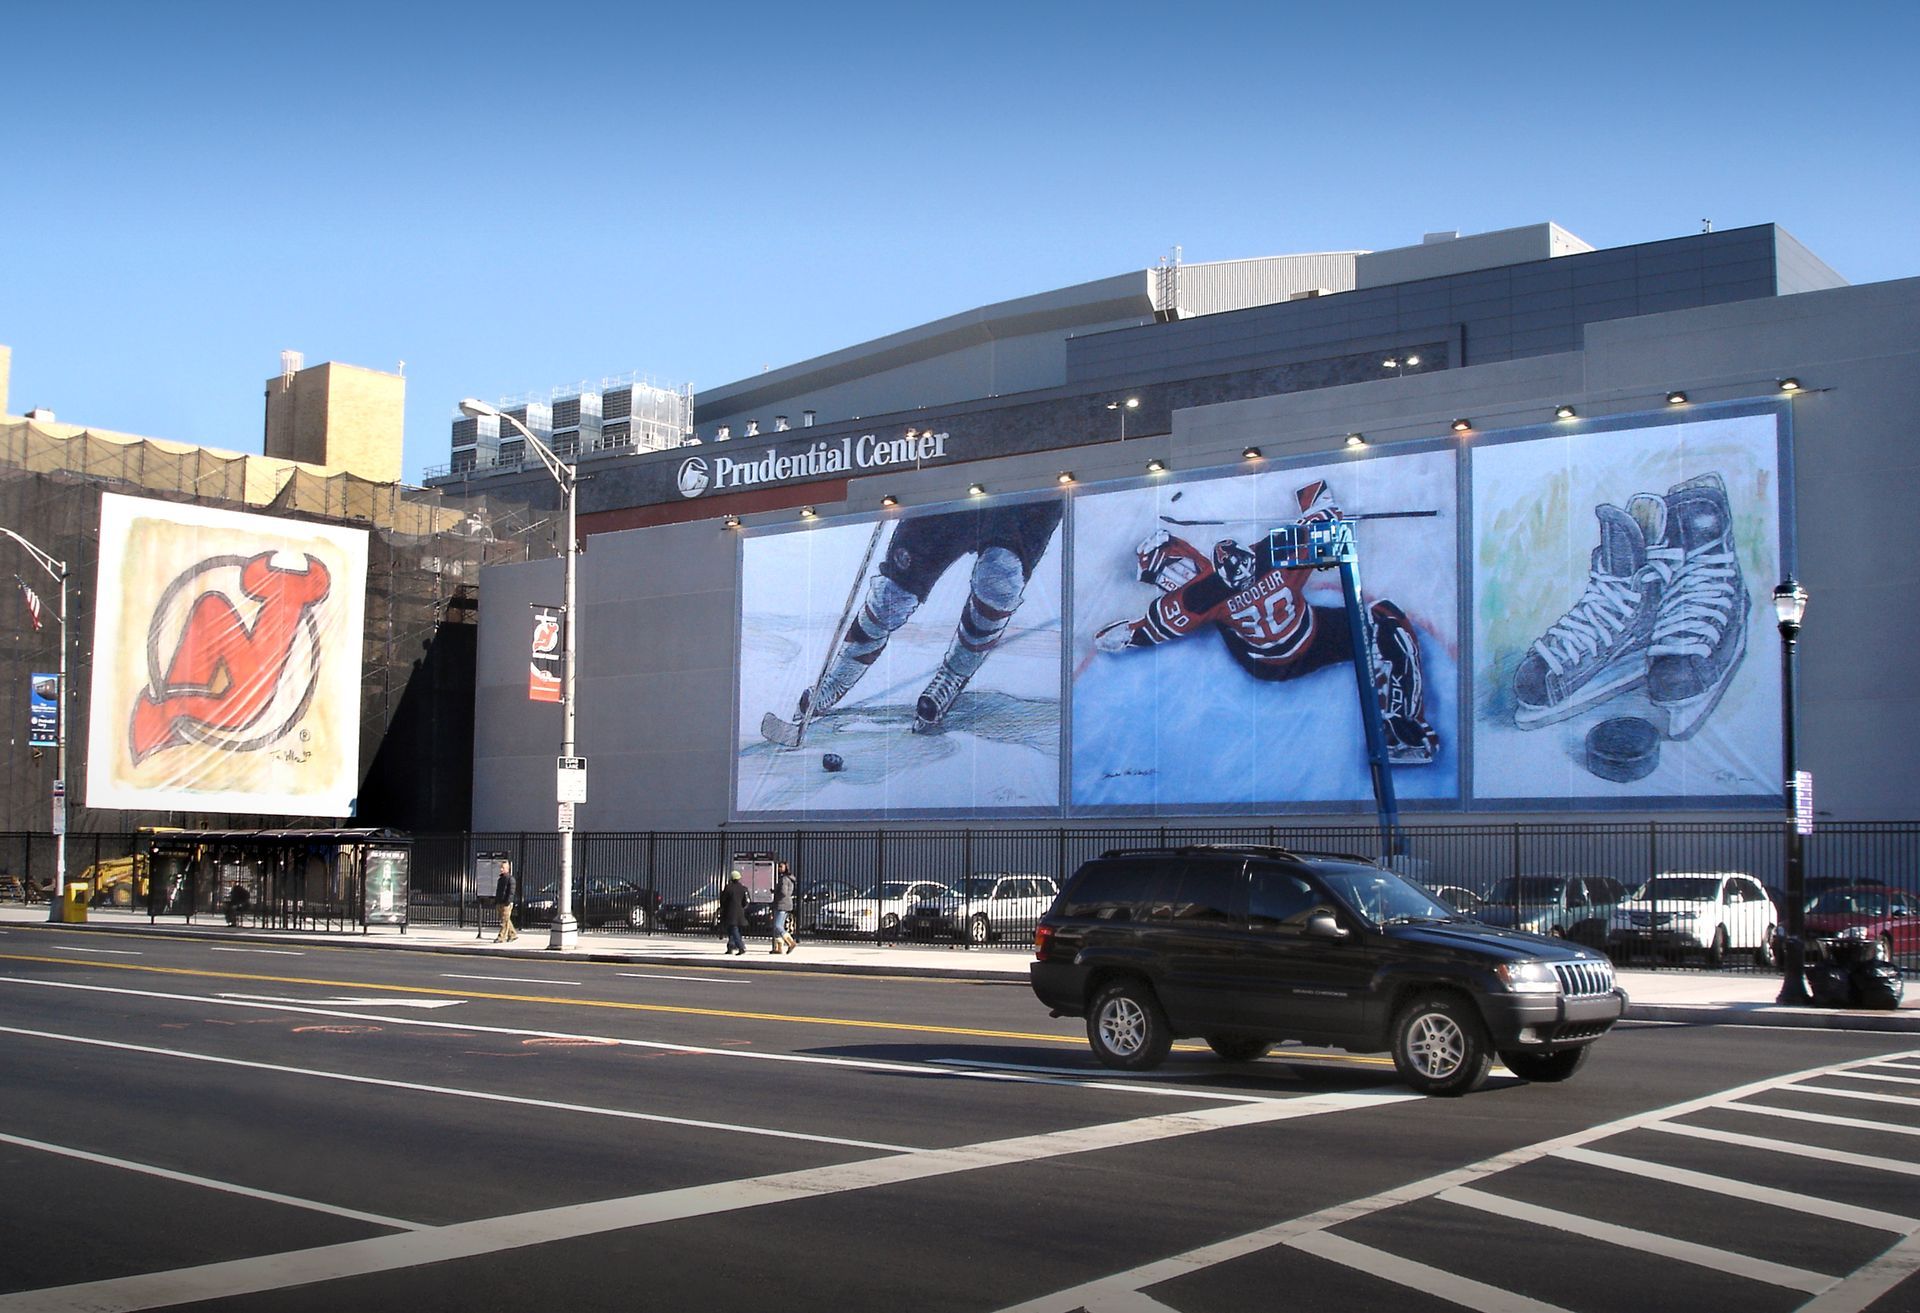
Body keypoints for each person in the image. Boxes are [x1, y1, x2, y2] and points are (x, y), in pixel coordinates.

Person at [1093, 480, 1439, 764]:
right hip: (1305, 638)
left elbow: (1146, 630)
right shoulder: (1271, 554)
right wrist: (1313, 502)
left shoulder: (1203, 594)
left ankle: (1398, 731)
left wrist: (1122, 634)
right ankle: (1401, 729)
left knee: (1383, 620)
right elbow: (1325, 520)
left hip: (1273, 657)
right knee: (1387, 621)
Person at [780, 501, 1064, 737]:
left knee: (1000, 580)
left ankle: (953, 676)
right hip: (950, 483)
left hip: (1020, 495)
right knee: (892, 594)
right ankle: (836, 681)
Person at [718, 870, 750, 955]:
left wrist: (723, 908)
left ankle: (740, 947)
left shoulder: (728, 888)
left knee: (733, 930)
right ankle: (730, 946)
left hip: (730, 912)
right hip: (740, 912)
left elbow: (723, 900)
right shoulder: (743, 888)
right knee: (732, 930)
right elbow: (745, 902)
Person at [770, 861, 798, 954]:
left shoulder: (784, 879)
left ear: (786, 868)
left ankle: (790, 942)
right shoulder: (788, 878)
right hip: (785, 904)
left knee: (777, 926)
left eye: (781, 867)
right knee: (778, 927)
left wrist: (775, 891)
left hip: (782, 904)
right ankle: (779, 948)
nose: (779, 868)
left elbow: (783, 892)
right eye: (778, 866)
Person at [493, 860, 518, 943]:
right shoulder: (500, 879)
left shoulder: (510, 879)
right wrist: (497, 901)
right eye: (500, 867)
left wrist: (508, 902)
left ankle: (501, 937)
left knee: (504, 921)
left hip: (506, 903)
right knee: (506, 920)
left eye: (503, 868)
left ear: (507, 868)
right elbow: (498, 891)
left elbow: (511, 892)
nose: (501, 869)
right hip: (500, 902)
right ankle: (512, 934)